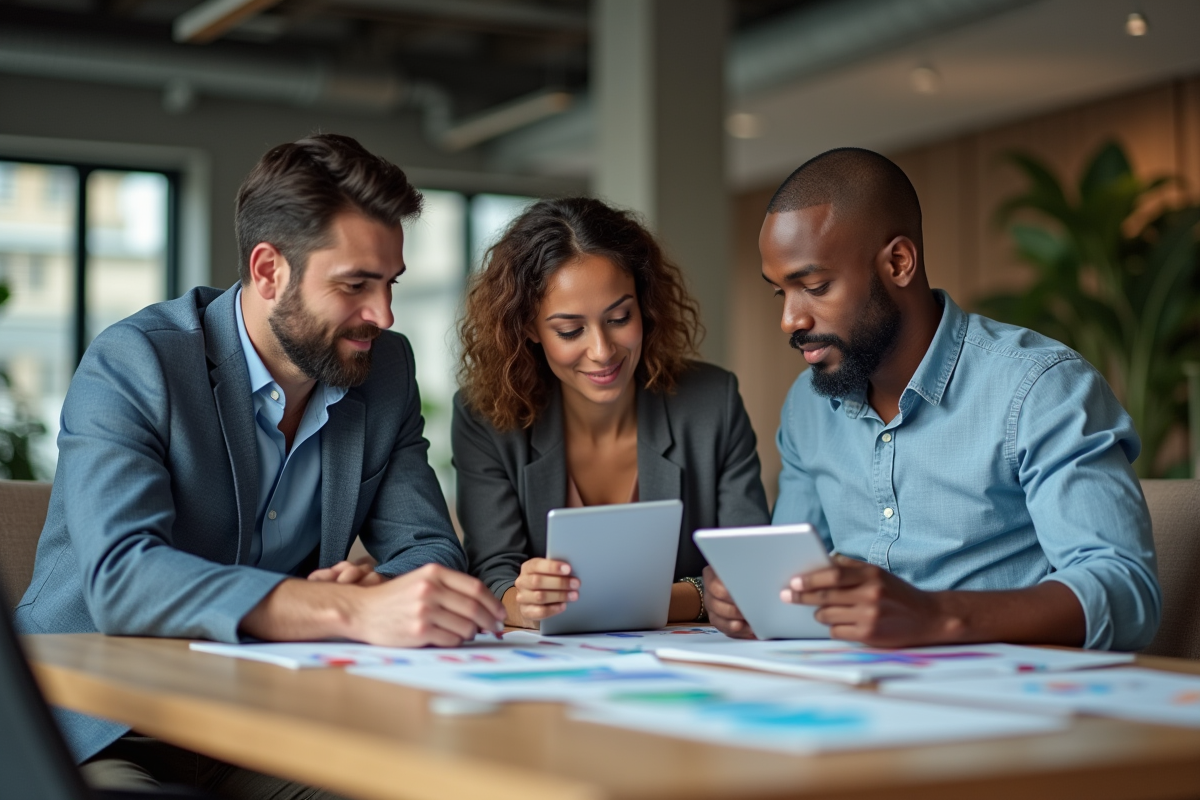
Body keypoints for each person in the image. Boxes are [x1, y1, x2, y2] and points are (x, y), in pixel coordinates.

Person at [15, 134, 505, 794]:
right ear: (269, 270)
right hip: (102, 723)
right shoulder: (137, 362)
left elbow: (430, 548)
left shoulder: (383, 370)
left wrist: (387, 592)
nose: (382, 315)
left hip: (264, 721)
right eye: (355, 285)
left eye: (390, 284)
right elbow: (123, 578)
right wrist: (340, 611)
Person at [704, 147, 1160, 652]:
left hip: (1008, 704)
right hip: (850, 698)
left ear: (898, 263)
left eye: (813, 286)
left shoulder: (1040, 388)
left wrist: (936, 615)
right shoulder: (808, 406)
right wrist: (755, 599)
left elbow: (1126, 594)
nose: (791, 320)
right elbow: (795, 580)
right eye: (780, 293)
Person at [453, 197, 770, 628]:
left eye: (620, 318)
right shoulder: (485, 417)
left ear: (645, 304)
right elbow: (494, 574)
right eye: (570, 330)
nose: (602, 352)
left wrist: (583, 603)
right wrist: (519, 600)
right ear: (528, 327)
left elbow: (747, 575)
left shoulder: (713, 401)